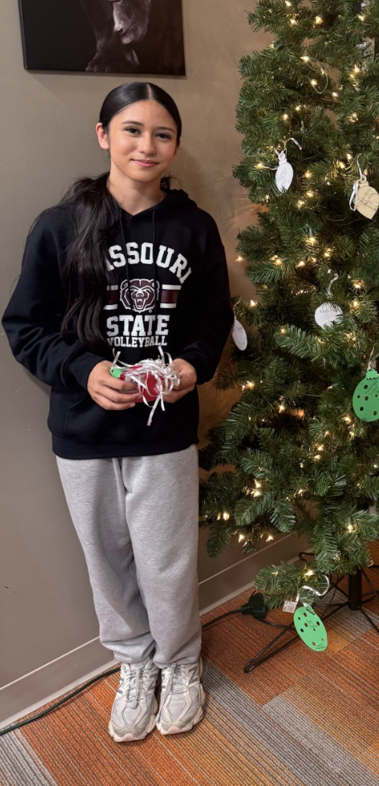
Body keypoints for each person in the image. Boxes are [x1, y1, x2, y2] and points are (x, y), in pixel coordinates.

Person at [3, 83, 233, 743]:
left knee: (165, 561)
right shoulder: (58, 226)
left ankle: (180, 663)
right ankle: (134, 664)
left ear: (175, 146)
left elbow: (214, 317)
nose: (146, 145)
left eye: (162, 134)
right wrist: (84, 371)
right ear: (103, 135)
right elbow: (24, 325)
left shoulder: (194, 229)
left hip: (164, 433)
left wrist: (192, 364)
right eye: (132, 130)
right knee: (106, 558)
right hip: (83, 431)